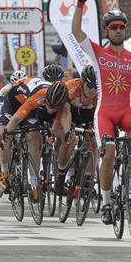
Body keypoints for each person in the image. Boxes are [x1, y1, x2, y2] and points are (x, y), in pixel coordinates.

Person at [72, 0, 131, 225]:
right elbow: (76, 32)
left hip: (125, 111)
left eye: (122, 27)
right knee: (108, 154)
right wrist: (80, 3)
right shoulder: (97, 52)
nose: (119, 30)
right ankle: (107, 202)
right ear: (107, 31)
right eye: (114, 27)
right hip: (105, 112)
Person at [0, 79, 71, 196]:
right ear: (46, 98)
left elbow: (61, 119)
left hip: (34, 106)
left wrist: (53, 134)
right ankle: (4, 173)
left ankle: (34, 185)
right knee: (4, 133)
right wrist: (6, 133)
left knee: (34, 139)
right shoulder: (39, 95)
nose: (51, 109)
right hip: (14, 101)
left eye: (54, 107)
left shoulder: (64, 102)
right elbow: (17, 118)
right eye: (49, 105)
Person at [54, 66, 99, 195]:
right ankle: (61, 174)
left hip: (90, 115)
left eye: (95, 86)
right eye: (89, 85)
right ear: (82, 82)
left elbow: (101, 115)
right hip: (71, 114)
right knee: (67, 140)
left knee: (93, 143)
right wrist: (68, 132)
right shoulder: (72, 87)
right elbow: (66, 113)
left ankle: (88, 178)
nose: (92, 90)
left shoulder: (99, 92)